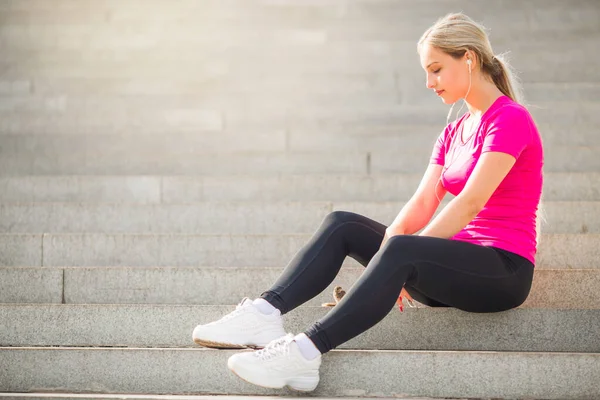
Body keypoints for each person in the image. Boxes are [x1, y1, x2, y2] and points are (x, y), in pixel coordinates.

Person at [191, 12, 544, 392]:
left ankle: (304, 353)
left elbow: (471, 203)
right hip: (451, 266)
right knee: (343, 224)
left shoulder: (509, 119)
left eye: (437, 69)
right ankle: (265, 312)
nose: (429, 83)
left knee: (403, 249)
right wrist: (390, 250)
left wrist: (408, 251)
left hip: (502, 271)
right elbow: (424, 201)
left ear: (469, 59)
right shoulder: (454, 131)